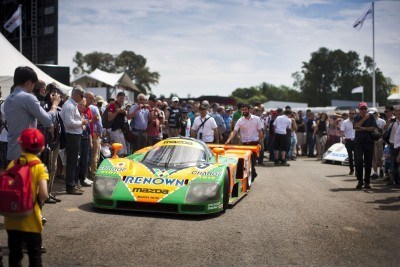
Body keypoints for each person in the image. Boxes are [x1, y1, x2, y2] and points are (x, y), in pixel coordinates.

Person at [3, 128, 48, 266]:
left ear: (21, 145)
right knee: (35, 256)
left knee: (14, 255)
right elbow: (44, 193)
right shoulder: (39, 167)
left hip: (11, 219)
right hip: (31, 219)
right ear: (41, 148)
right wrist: (38, 203)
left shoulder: (13, 164)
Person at [4, 66, 60, 161]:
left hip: (12, 151)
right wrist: (54, 104)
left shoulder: (8, 99)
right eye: (33, 84)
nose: (33, 87)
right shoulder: (28, 98)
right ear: (29, 82)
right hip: (26, 154)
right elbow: (48, 121)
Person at [60, 85, 87, 195]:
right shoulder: (70, 105)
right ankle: (70, 187)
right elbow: (69, 123)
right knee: (72, 162)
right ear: (75, 94)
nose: (82, 98)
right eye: (81, 95)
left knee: (73, 161)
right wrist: (82, 122)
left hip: (74, 135)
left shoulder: (71, 105)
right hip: (71, 136)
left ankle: (73, 185)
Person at [225, 103, 263, 179]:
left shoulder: (256, 119)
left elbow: (260, 131)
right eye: (243, 110)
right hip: (245, 144)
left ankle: (252, 175)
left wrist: (260, 141)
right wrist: (228, 140)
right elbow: (234, 131)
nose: (244, 111)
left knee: (252, 160)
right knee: (248, 161)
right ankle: (252, 175)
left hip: (254, 143)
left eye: (245, 109)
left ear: (249, 110)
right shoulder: (240, 120)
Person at [353, 102, 378, 190]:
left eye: (365, 108)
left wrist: (363, 128)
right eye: (362, 108)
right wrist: (363, 119)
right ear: (359, 109)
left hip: (369, 142)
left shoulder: (371, 117)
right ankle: (360, 180)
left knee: (368, 163)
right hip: (359, 143)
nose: (364, 110)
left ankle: (367, 182)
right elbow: (356, 127)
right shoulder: (356, 117)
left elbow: (374, 128)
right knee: (358, 161)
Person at [369, 107, 385, 179]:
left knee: (379, 157)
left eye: (374, 114)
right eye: (371, 114)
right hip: (371, 141)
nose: (372, 115)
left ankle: (381, 168)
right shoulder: (368, 121)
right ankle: (375, 173)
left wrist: (382, 139)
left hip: (379, 141)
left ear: (376, 113)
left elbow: (385, 132)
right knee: (373, 157)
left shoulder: (382, 121)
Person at [340, 109, 356, 175]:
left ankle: (357, 170)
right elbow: (342, 131)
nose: (351, 114)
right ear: (348, 114)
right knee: (350, 156)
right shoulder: (345, 122)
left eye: (353, 113)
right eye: (350, 113)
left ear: (355, 114)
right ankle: (351, 169)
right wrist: (342, 138)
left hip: (356, 140)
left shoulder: (357, 121)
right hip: (348, 140)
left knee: (357, 156)